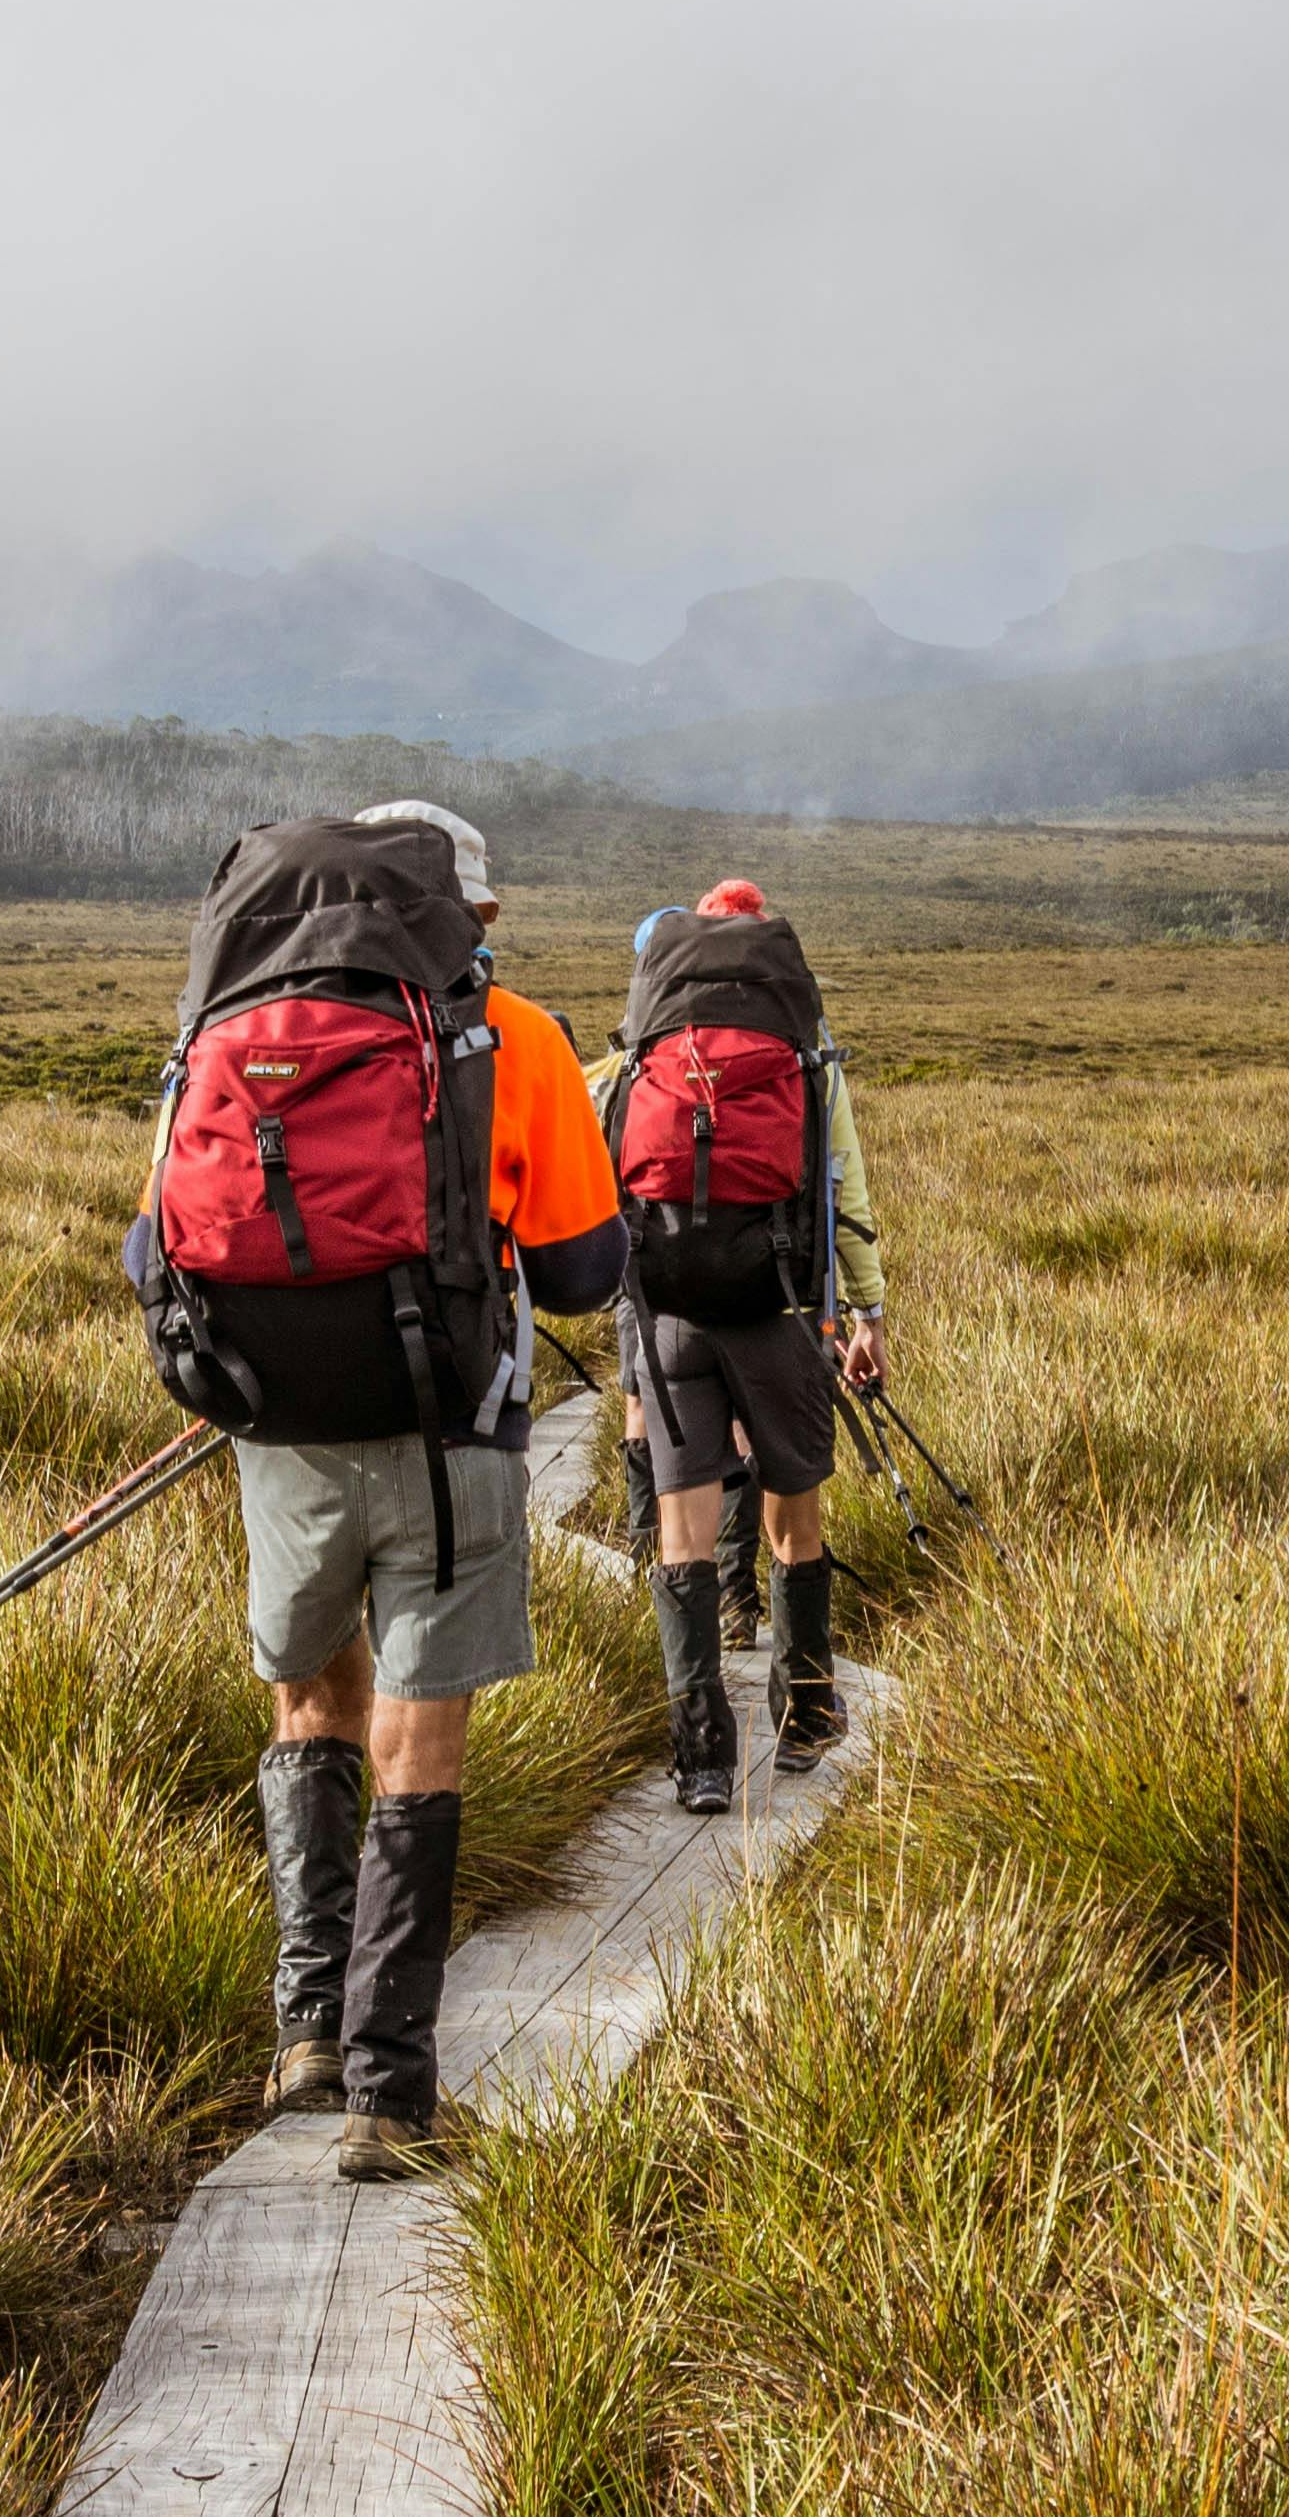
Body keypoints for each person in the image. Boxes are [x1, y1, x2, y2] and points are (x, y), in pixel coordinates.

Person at [129, 795, 622, 2178]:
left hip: (280, 1435)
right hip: (451, 1435)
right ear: (474, 912)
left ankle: (305, 2027)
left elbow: (153, 1250)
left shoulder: (224, 1025)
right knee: (425, 1738)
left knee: (308, 1704)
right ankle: (392, 2094)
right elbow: (587, 1272)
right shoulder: (514, 1037)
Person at [597, 877, 890, 1813]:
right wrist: (866, 1315)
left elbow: (597, 1171)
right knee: (792, 1521)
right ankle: (803, 1716)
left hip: (672, 1313)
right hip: (779, 1313)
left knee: (680, 1533)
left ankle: (702, 1758)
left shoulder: (641, 1051)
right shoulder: (809, 1058)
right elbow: (841, 1194)